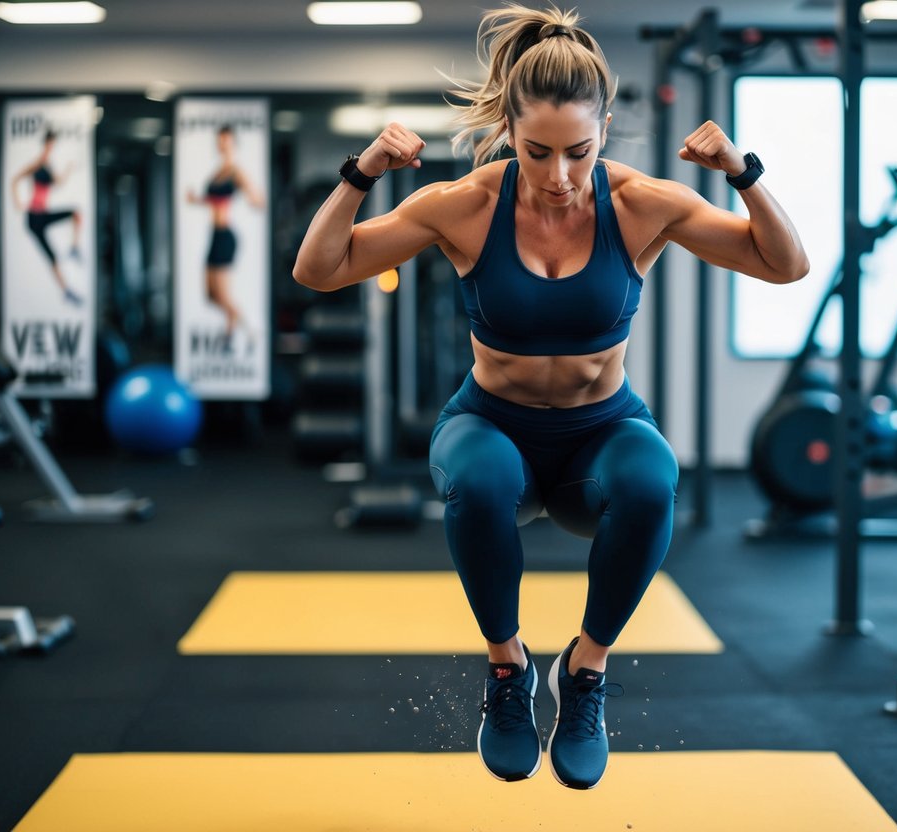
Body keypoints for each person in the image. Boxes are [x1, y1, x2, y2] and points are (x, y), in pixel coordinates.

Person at [293, 3, 808, 790]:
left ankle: (584, 672)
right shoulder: (463, 205)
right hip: (490, 425)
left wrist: (744, 175)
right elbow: (318, 270)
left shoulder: (641, 204)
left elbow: (784, 265)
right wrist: (359, 174)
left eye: (579, 151)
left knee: (651, 478)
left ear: (605, 126)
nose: (560, 176)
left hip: (599, 436)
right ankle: (508, 672)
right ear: (506, 127)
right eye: (537, 152)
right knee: (479, 480)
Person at [186, 124, 265, 347]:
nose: (222, 144)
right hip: (215, 235)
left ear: (232, 143)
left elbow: (258, 199)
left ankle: (248, 330)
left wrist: (252, 198)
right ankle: (233, 327)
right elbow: (215, 200)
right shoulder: (219, 171)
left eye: (226, 140)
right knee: (210, 294)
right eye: (220, 140)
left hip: (225, 236)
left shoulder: (235, 171)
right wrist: (197, 200)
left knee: (222, 294)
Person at [11, 129, 84, 306]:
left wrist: (68, 170)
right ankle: (66, 291)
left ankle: (73, 250)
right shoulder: (38, 163)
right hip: (34, 218)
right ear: (47, 143)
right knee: (52, 257)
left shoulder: (48, 165)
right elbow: (16, 179)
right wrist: (18, 202)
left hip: (42, 215)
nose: (52, 147)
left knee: (75, 214)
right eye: (51, 144)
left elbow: (57, 183)